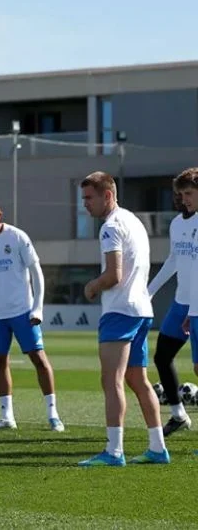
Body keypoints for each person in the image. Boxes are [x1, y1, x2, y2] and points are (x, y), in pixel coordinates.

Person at [78, 171, 166, 466]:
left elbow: (114, 275)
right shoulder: (134, 221)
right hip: (142, 309)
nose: (85, 205)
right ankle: (157, 447)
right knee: (137, 379)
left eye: (89, 198)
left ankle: (114, 451)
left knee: (111, 379)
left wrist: (92, 285)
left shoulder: (110, 227)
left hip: (120, 310)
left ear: (108, 195)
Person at [0, 197, 64, 432]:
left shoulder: (17, 237)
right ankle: (7, 417)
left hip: (22, 311)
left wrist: (37, 308)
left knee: (38, 359)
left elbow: (36, 272)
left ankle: (53, 415)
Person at [148, 182, 198, 437]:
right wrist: (149, 291)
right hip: (181, 303)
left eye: (188, 193)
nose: (183, 199)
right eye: (180, 194)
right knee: (162, 357)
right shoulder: (177, 223)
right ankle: (179, 415)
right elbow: (174, 260)